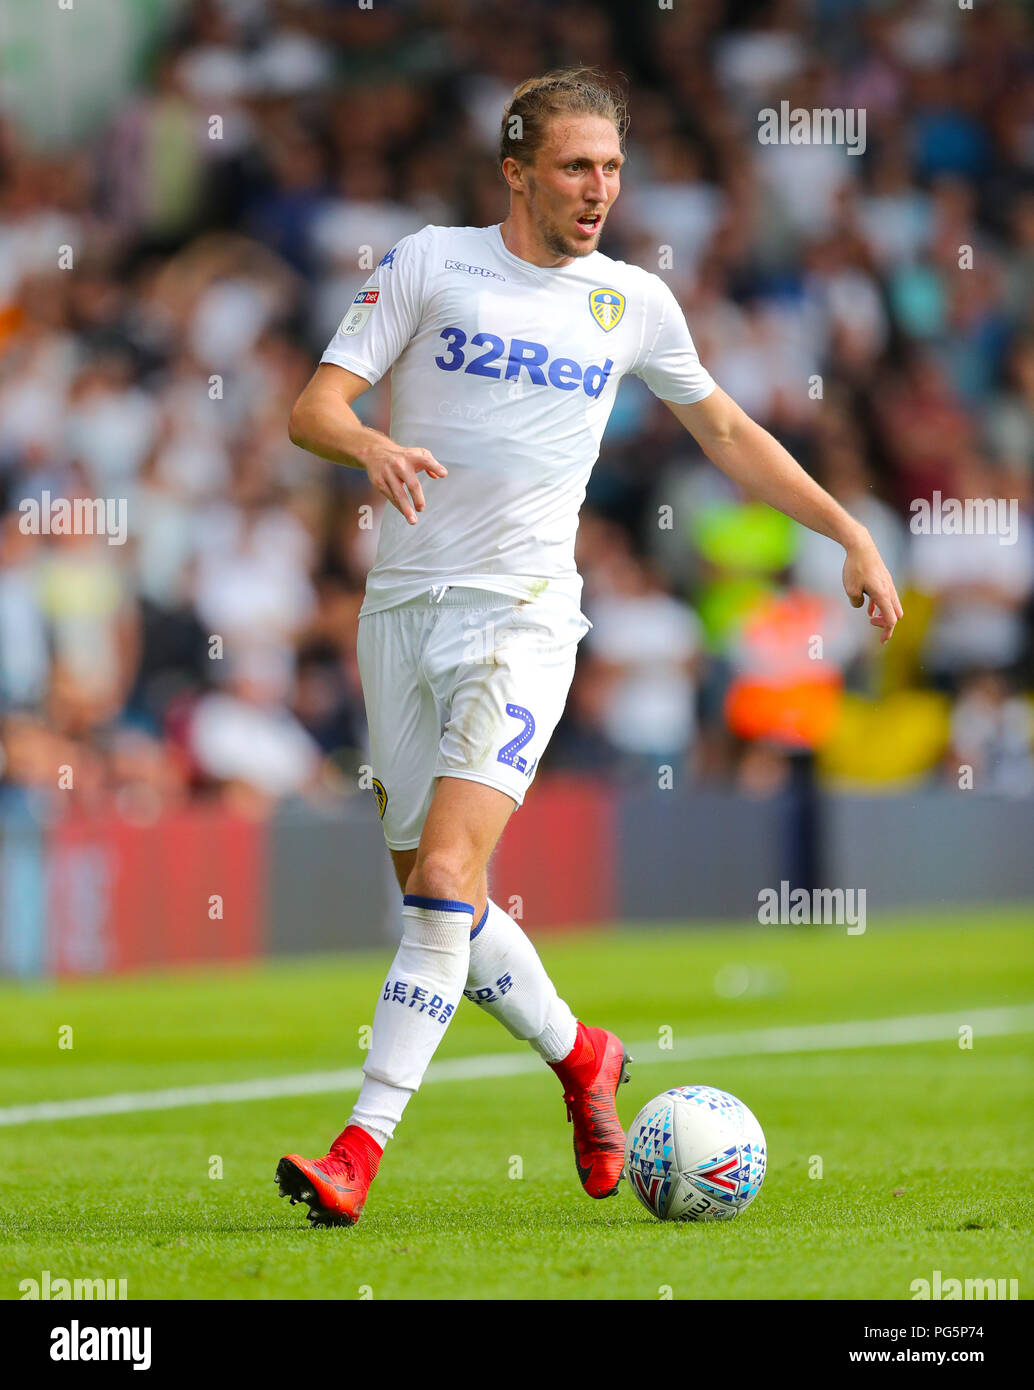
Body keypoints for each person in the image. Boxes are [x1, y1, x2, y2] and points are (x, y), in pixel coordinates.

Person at [277, 68, 902, 1228]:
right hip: (401, 611)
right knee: (435, 891)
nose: (597, 189)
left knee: (445, 887)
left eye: (611, 168)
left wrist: (846, 529)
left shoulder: (631, 302)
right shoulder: (429, 262)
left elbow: (723, 428)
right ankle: (583, 1058)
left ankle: (358, 1147)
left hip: (522, 617)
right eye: (574, 165)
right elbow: (312, 407)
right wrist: (367, 446)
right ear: (514, 170)